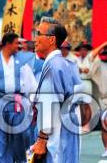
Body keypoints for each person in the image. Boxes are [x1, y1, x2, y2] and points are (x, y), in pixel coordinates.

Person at [0, 32, 36, 163]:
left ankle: (19, 159)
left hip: (18, 103)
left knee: (21, 135)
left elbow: (30, 83)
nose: (18, 46)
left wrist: (32, 102)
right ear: (8, 44)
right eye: (16, 43)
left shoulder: (22, 62)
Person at [32, 17, 80, 163]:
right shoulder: (69, 65)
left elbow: (49, 106)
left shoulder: (52, 67)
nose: (35, 39)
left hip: (55, 135)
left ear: (51, 40)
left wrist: (42, 139)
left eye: (39, 34)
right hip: (69, 129)